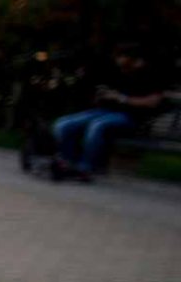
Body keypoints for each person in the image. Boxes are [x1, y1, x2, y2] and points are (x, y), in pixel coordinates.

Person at [52, 45, 168, 182]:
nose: (118, 61)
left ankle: (85, 168)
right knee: (63, 123)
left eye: (121, 57)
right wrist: (102, 95)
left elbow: (152, 102)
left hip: (130, 117)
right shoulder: (119, 73)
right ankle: (67, 162)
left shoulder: (151, 75)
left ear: (133, 59)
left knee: (96, 126)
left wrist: (121, 98)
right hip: (105, 111)